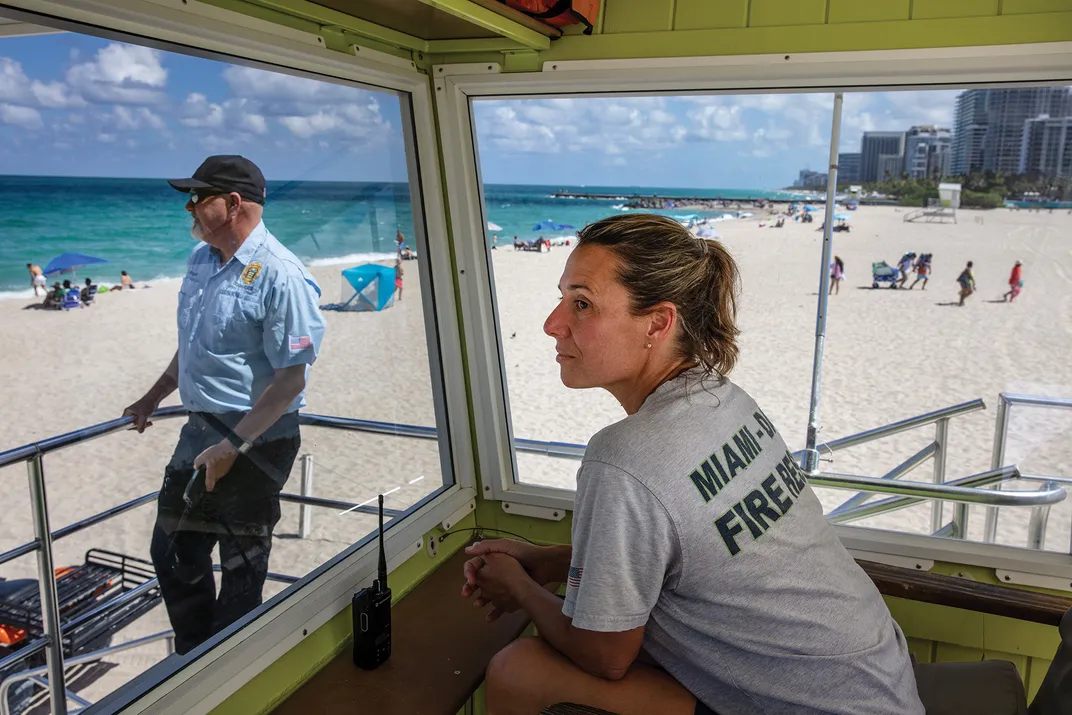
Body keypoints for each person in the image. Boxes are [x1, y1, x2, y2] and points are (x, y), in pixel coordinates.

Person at [461, 214, 924, 715]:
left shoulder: (623, 459)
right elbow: (696, 547)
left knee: (518, 670)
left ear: (658, 322)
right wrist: (552, 561)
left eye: (582, 303)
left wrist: (521, 589)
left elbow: (605, 657)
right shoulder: (725, 400)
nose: (553, 323)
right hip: (883, 686)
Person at [123, 155, 326, 655]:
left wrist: (234, 444)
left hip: (259, 438)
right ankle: (195, 657)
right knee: (172, 551)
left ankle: (227, 669)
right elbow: (195, 343)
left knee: (242, 567)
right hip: (201, 429)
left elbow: (290, 379)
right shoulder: (200, 260)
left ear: (233, 204)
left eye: (198, 197)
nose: (189, 207)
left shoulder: (281, 274)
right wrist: (155, 394)